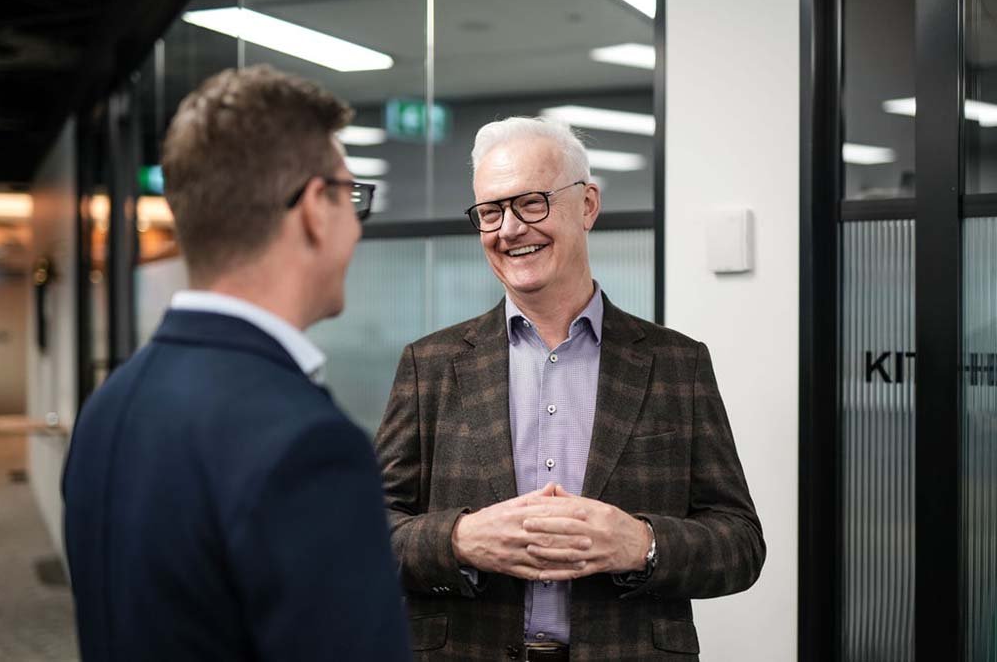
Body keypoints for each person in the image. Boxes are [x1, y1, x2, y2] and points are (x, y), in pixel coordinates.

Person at [374, 117, 765, 661]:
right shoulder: (431, 365)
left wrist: (640, 543)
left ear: (586, 205)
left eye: (531, 203)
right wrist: (459, 541)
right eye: (491, 211)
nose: (509, 229)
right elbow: (368, 535)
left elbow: (741, 545)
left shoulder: (677, 364)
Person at [62, 65, 410, 662]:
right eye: (352, 196)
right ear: (313, 210)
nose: (356, 224)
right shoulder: (308, 446)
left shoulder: (110, 403)